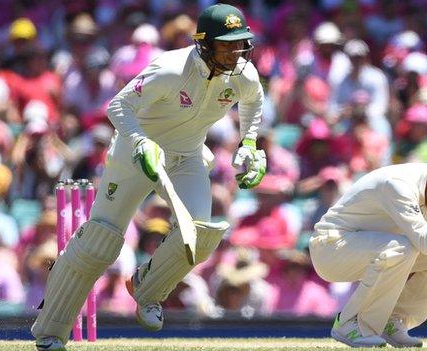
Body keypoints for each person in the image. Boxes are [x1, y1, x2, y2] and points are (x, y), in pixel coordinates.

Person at [31, 4, 266, 350]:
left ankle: (147, 290)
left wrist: (249, 142)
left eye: (239, 43)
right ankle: (50, 331)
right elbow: (118, 106)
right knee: (100, 243)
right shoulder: (171, 69)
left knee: (198, 233)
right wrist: (140, 141)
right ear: (204, 44)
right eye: (226, 44)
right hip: (134, 154)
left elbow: (253, 101)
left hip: (186, 155)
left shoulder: (243, 74)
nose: (235, 51)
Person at [309, 159, 427, 348]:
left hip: (374, 249)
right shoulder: (398, 185)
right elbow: (425, 243)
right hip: (330, 249)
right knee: (403, 248)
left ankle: (392, 320)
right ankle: (351, 324)